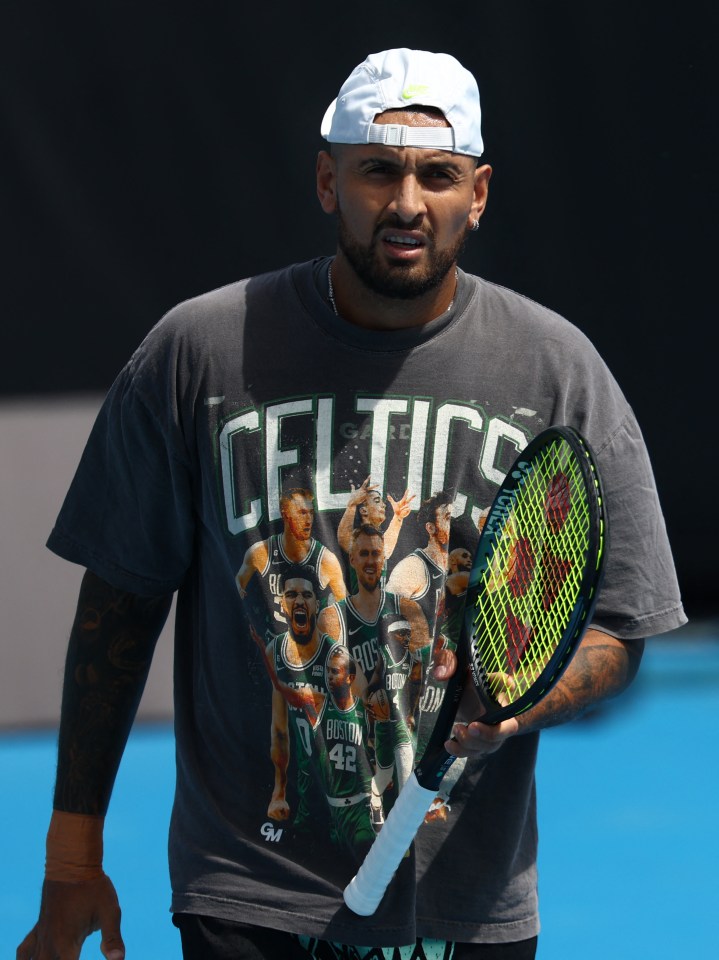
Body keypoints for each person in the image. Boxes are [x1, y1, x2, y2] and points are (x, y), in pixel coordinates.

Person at [18, 47, 686, 960]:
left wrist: (526, 702)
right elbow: (119, 608)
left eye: (437, 176)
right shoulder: (197, 354)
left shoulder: (557, 372)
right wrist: (70, 859)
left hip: (466, 902)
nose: (407, 203)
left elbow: (619, 628)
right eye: (378, 169)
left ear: (478, 194)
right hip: (246, 892)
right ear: (329, 181)